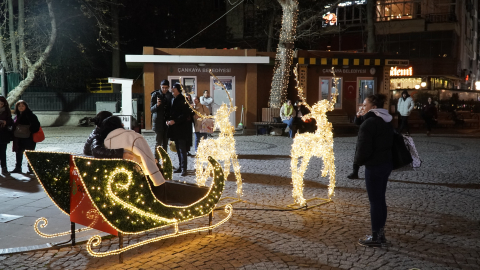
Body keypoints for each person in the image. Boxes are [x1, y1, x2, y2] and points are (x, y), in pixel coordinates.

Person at [354, 94, 394, 248]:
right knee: (380, 199)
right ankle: (380, 234)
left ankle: (376, 236)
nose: (362, 107)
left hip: (374, 166)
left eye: (365, 105)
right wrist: (360, 118)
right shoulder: (386, 119)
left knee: (375, 201)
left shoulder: (369, 124)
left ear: (374, 107)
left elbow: (363, 148)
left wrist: (357, 164)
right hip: (386, 164)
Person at [92, 116, 165, 186]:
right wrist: (157, 180)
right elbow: (147, 158)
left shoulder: (106, 141)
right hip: (139, 177)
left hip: (116, 178)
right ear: (122, 125)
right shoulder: (134, 137)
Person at [167, 84, 192, 176]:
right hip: (175, 128)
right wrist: (168, 120)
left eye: (174, 88)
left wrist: (175, 121)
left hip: (182, 128)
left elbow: (185, 115)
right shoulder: (172, 98)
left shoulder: (183, 99)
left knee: (182, 149)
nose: (172, 89)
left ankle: (184, 168)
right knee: (177, 148)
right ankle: (180, 166)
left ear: (178, 90)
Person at [11, 100, 40, 174]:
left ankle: (31, 169)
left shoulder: (30, 115)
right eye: (19, 106)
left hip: (29, 138)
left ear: (26, 107)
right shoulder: (17, 115)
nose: (21, 107)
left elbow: (36, 126)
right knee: (18, 153)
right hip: (19, 138)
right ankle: (18, 168)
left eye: (22, 106)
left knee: (29, 154)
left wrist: (29, 130)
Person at [150, 79, 173, 152]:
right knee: (158, 143)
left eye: (166, 88)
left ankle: (165, 161)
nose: (164, 89)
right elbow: (151, 109)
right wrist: (157, 105)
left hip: (166, 123)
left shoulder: (170, 95)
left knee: (165, 144)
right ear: (160, 86)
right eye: (163, 87)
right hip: (158, 122)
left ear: (168, 87)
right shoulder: (155, 95)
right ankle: (156, 161)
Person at [347, 105, 366, 179]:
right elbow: (356, 123)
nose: (362, 108)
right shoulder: (362, 114)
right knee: (357, 155)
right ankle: (355, 172)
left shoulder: (370, 115)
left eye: (364, 106)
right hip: (361, 138)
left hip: (366, 137)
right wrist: (357, 116)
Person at [0, 96, 13, 174]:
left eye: (1, 104)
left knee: (3, 152)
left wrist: (5, 122)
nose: (0, 105)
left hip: (3, 135)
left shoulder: (7, 111)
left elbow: (10, 121)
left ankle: (4, 168)